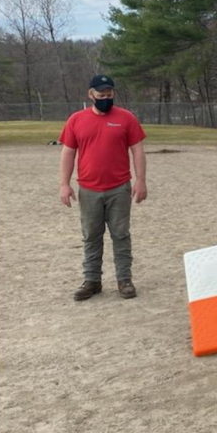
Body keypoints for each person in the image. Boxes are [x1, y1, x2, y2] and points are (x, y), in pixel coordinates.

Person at [59, 75, 147, 301]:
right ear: (91, 95)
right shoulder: (76, 120)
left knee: (120, 235)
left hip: (119, 188)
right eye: (101, 95)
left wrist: (140, 180)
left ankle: (124, 279)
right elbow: (68, 153)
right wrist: (64, 184)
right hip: (89, 190)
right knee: (91, 236)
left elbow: (137, 150)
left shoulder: (126, 118)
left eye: (109, 94)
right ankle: (92, 281)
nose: (106, 98)